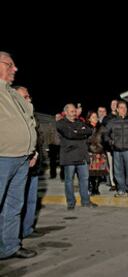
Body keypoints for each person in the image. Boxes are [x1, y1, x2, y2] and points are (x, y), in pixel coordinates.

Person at [0, 51, 37, 259]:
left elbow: (29, 119)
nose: (15, 69)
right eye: (9, 65)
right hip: (2, 157)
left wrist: (33, 149)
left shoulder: (13, 92)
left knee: (14, 204)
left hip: (23, 158)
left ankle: (9, 246)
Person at [14, 86, 44, 239]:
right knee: (17, 201)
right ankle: (13, 234)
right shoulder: (12, 116)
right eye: (25, 97)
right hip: (20, 164)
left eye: (28, 96)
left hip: (34, 164)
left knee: (31, 200)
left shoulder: (33, 116)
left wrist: (36, 154)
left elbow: (38, 139)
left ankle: (27, 229)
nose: (29, 99)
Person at [57, 103, 97, 209]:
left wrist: (77, 132)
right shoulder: (61, 123)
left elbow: (89, 131)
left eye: (75, 111)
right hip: (69, 156)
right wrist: (81, 132)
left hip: (82, 155)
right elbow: (69, 134)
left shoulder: (80, 122)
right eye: (71, 111)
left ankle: (86, 201)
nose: (74, 113)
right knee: (69, 181)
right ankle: (71, 203)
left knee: (84, 179)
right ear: (65, 112)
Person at [105, 101, 128, 197]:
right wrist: (111, 143)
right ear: (117, 109)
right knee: (118, 171)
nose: (123, 109)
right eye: (121, 107)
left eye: (125, 107)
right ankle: (121, 189)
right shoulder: (112, 122)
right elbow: (105, 135)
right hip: (116, 150)